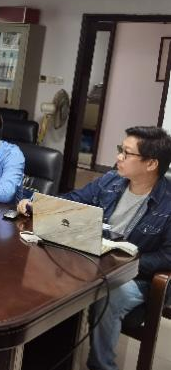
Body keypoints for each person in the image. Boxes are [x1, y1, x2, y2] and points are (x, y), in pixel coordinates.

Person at [17, 126, 171, 370]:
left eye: (127, 153)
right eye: (120, 149)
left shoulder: (168, 203)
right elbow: (75, 199)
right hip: (93, 258)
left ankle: (102, 366)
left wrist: (123, 261)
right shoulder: (112, 180)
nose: (119, 157)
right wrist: (38, 205)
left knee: (111, 295)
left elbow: (167, 257)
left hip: (137, 277)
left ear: (151, 164)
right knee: (44, 264)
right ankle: (46, 352)